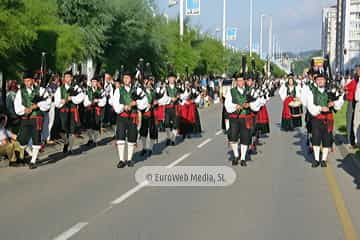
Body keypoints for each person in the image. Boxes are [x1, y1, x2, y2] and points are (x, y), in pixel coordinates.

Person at [14, 71, 51, 169]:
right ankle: (31, 154)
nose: (27, 83)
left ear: (33, 80)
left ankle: (33, 161)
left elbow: (48, 103)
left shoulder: (41, 90)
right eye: (25, 81)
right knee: (21, 140)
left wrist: (37, 105)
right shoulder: (20, 92)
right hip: (25, 118)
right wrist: (24, 110)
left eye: (29, 80)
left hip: (37, 117)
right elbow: (17, 106)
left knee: (36, 138)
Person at [225, 74, 262, 167]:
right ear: (236, 82)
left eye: (242, 80)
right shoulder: (231, 92)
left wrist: (249, 105)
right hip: (234, 118)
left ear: (244, 81)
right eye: (239, 80)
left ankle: (242, 158)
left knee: (245, 138)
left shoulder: (250, 91)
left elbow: (258, 101)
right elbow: (227, 104)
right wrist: (235, 106)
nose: (241, 82)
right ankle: (236, 155)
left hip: (245, 118)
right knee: (233, 137)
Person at [112, 70, 148, 168]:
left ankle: (129, 159)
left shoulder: (137, 90)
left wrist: (136, 103)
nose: (126, 79)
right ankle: (121, 160)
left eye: (128, 78)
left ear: (131, 79)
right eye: (124, 78)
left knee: (132, 137)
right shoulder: (118, 90)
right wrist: (123, 107)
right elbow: (115, 103)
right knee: (121, 137)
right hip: (122, 116)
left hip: (133, 117)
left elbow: (145, 100)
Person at [307, 74, 344, 167]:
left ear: (325, 81)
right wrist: (320, 108)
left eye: (322, 79)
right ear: (315, 81)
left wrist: (334, 103)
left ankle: (323, 160)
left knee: (327, 139)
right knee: (315, 139)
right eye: (318, 80)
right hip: (316, 118)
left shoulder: (330, 92)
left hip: (328, 119)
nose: (320, 81)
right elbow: (310, 105)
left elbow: (340, 100)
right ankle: (316, 159)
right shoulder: (312, 92)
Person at [54, 71, 85, 154]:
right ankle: (66, 142)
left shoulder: (76, 87)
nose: (66, 79)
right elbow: (56, 102)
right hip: (63, 111)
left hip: (72, 111)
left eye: (68, 77)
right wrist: (62, 101)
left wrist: (71, 98)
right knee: (61, 129)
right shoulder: (60, 89)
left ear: (71, 78)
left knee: (72, 130)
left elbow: (81, 97)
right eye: (65, 77)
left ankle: (70, 148)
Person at [83, 76, 107, 146]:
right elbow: (85, 102)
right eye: (92, 82)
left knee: (96, 125)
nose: (93, 83)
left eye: (95, 82)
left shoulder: (101, 91)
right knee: (88, 126)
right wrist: (90, 102)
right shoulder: (88, 91)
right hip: (89, 109)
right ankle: (90, 139)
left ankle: (95, 140)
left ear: (97, 83)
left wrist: (98, 101)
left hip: (97, 110)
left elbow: (104, 101)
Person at [139, 76, 158, 157]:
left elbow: (157, 102)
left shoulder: (154, 92)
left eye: (149, 82)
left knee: (152, 131)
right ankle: (144, 148)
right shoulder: (141, 92)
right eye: (146, 82)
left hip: (153, 114)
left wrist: (155, 103)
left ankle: (150, 148)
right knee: (143, 131)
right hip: (144, 114)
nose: (148, 83)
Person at [163, 73, 180, 146]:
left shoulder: (178, 88)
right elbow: (164, 96)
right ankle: (168, 137)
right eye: (170, 78)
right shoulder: (165, 88)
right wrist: (170, 99)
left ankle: (173, 139)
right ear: (168, 79)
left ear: (175, 79)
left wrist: (176, 98)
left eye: (173, 78)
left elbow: (180, 95)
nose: (171, 79)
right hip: (168, 107)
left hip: (175, 107)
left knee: (175, 124)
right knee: (166, 123)